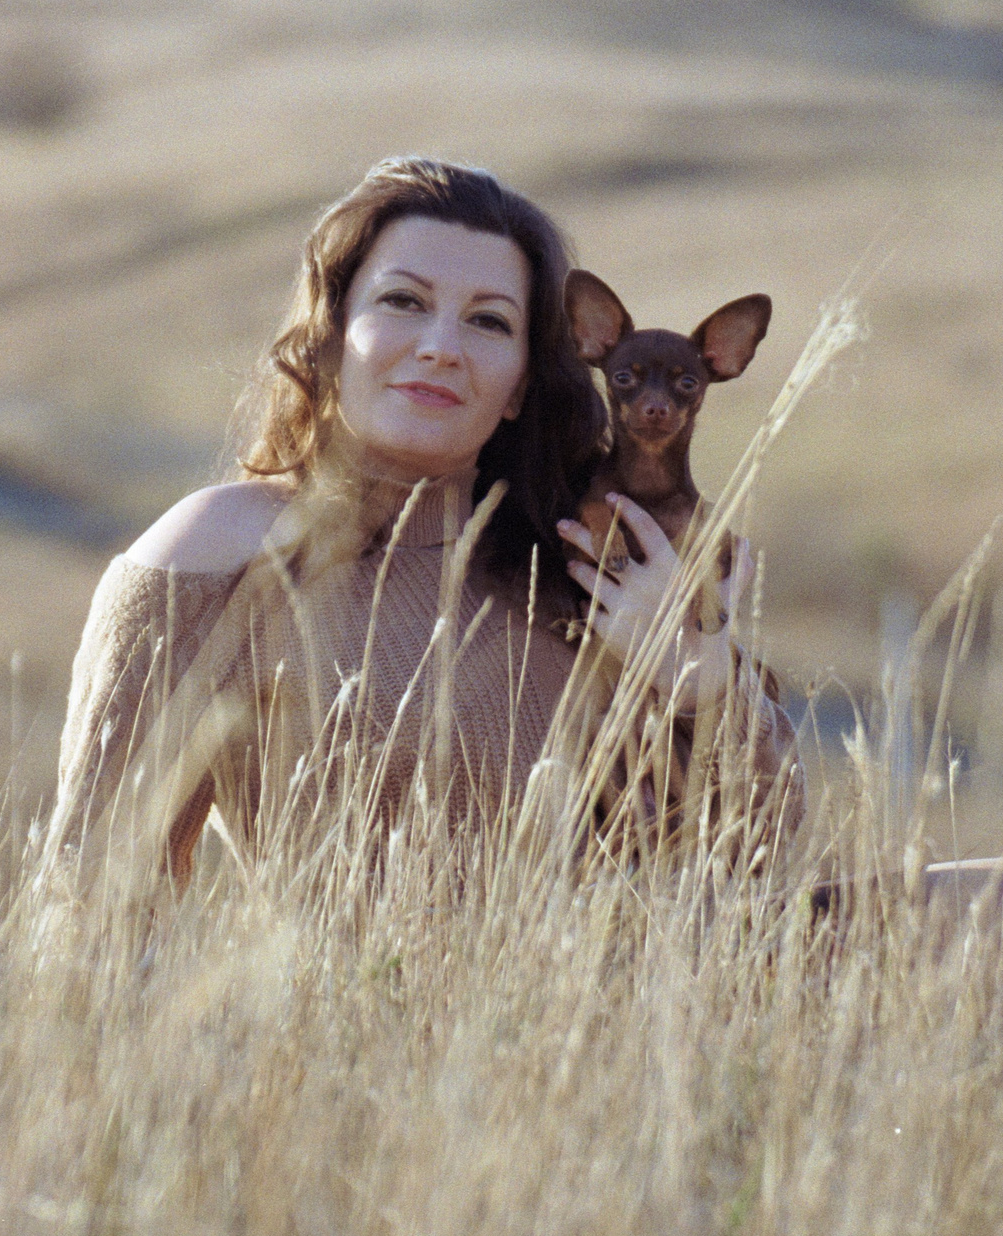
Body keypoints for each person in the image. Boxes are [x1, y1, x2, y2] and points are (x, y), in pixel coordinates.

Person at [48, 155, 803, 889]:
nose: (441, 347)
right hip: (379, 1008)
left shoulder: (580, 555)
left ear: (520, 385)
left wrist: (701, 683)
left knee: (926, 900)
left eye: (487, 320)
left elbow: (764, 851)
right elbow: (87, 895)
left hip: (626, 1001)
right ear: (334, 333)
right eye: (403, 302)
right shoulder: (221, 551)